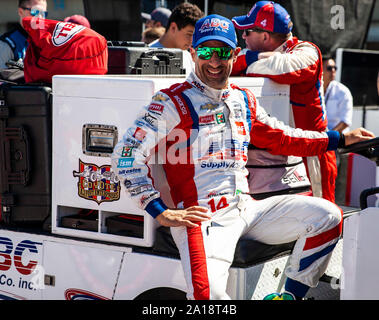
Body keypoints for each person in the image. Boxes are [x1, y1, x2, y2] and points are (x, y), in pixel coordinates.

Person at [111, 14, 375, 300]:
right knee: (206, 297)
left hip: (247, 209)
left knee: (329, 216)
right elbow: (125, 158)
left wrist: (340, 139)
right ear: (193, 53)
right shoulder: (171, 101)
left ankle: (289, 296)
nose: (214, 61)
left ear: (235, 55)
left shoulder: (243, 99)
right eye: (206, 52)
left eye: (223, 52)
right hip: (202, 218)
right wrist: (161, 212)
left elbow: (284, 138)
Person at [231, 1, 338, 203]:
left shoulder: (308, 51)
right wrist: (250, 58)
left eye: (247, 32)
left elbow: (281, 67)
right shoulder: (259, 54)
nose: (242, 37)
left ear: (265, 36)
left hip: (312, 154)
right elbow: (227, 62)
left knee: (323, 220)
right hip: (271, 159)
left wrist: (248, 58)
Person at [149, 2, 204, 75]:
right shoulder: (148, 55)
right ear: (173, 27)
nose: (192, 41)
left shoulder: (188, 56)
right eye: (189, 34)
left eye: (194, 36)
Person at [0, 0, 47, 69]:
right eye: (35, 12)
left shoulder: (48, 41)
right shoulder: (7, 43)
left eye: (43, 13)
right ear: (20, 12)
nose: (40, 17)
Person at [323, 57, 353, 134]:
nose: (333, 70)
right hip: (321, 138)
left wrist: (330, 136)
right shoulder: (314, 89)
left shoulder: (343, 92)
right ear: (320, 70)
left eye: (335, 68)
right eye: (329, 68)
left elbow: (345, 122)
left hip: (338, 140)